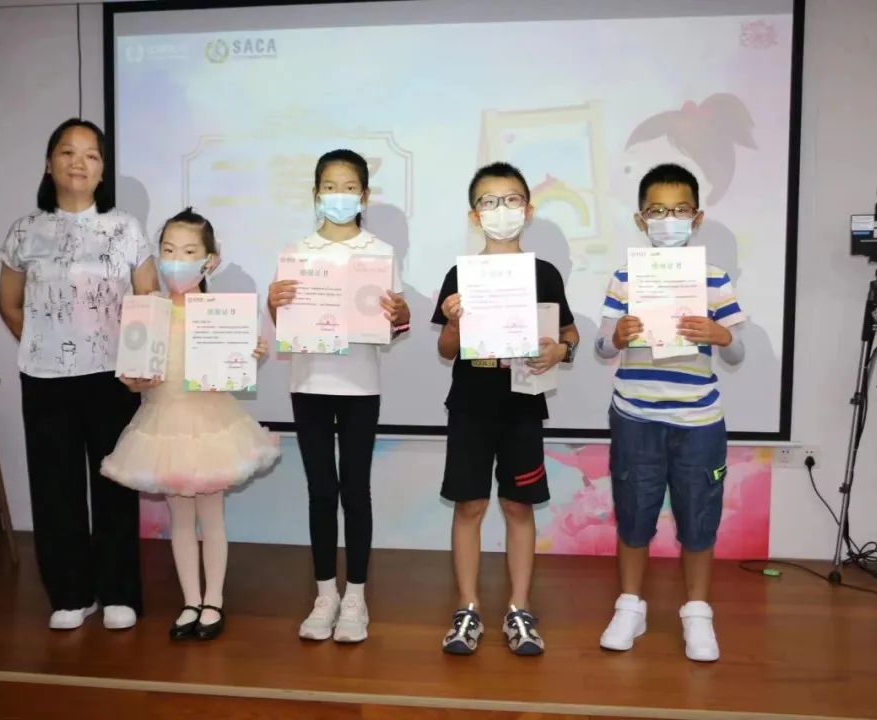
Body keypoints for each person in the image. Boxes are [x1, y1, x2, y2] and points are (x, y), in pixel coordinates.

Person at [0, 118, 212, 630]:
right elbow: (9, 305)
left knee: (115, 484)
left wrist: (141, 364)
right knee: (55, 487)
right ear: (49, 163)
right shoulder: (25, 231)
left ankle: (119, 592)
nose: (79, 162)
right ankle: (71, 594)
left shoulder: (125, 228)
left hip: (112, 379)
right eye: (67, 152)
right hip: (45, 379)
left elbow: (147, 304)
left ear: (102, 170)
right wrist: (45, 344)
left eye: (91, 155)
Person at [101, 208, 279, 641]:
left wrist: (250, 354)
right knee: (180, 518)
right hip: (163, 424)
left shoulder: (221, 313)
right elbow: (131, 375)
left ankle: (213, 600)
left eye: (187, 252)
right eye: (167, 251)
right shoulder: (148, 311)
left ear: (209, 260)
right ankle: (190, 601)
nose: (175, 261)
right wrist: (132, 379)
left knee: (211, 517)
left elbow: (233, 367)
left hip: (212, 425)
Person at [594, 163, 745, 662]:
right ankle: (630, 608)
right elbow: (601, 345)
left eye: (680, 210)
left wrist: (722, 335)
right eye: (657, 211)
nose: (668, 220)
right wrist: (617, 337)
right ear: (641, 220)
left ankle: (697, 614)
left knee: (698, 519)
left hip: (698, 420)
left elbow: (736, 353)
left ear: (696, 218)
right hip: (635, 415)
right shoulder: (625, 276)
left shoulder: (714, 278)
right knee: (634, 515)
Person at [432, 162, 578, 656]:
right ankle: (467, 607)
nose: (502, 210)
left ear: (527, 210)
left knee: (518, 505)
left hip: (522, 406)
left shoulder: (544, 273)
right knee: (469, 505)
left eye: (511, 200)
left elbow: (569, 332)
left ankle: (520, 607)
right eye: (490, 202)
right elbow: (446, 349)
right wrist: (454, 322)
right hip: (471, 405)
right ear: (475, 216)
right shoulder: (460, 275)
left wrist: (561, 351)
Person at [267, 149, 410, 643]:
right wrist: (275, 306)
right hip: (308, 384)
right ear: (315, 194)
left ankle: (356, 596)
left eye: (349, 187)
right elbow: (286, 323)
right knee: (321, 492)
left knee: (355, 490)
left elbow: (393, 324)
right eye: (330, 187)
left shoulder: (379, 253)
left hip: (359, 386)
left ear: (364, 195)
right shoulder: (297, 253)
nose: (339, 196)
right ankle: (325, 593)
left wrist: (400, 315)